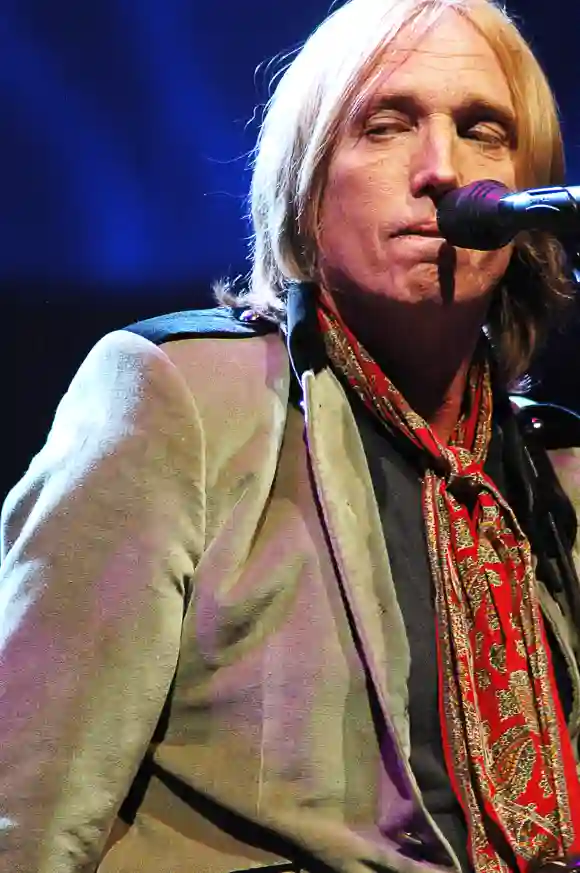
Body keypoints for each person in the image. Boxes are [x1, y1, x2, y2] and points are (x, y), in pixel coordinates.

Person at [1, 0, 580, 870]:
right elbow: (29, 810)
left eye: (481, 130)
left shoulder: (555, 470)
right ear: (307, 186)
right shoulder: (180, 395)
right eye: (387, 124)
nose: (440, 169)